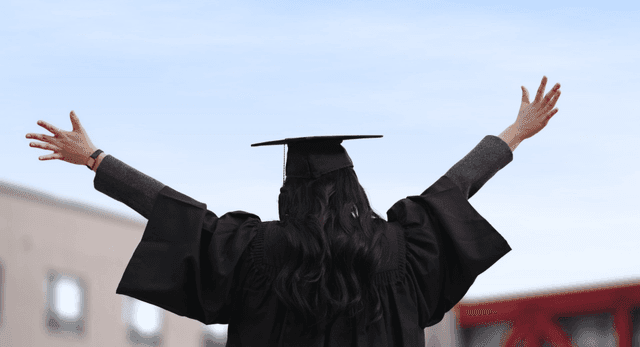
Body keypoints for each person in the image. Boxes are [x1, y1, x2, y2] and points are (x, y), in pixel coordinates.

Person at [26, 76, 561, 346]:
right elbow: (455, 188)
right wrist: (514, 133)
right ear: (353, 182)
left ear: (291, 190)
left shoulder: (257, 252)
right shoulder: (401, 249)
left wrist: (96, 159)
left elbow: (177, 214)